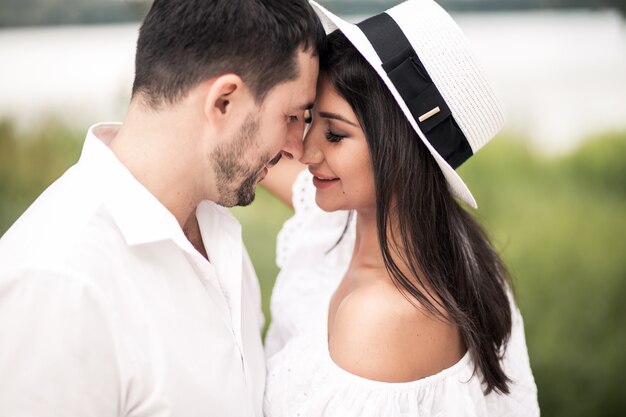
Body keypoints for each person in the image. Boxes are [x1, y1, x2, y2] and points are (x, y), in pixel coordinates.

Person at [0, 1, 324, 416]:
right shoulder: (57, 284)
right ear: (224, 101)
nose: (297, 146)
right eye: (293, 116)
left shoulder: (218, 236)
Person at [262, 1, 539, 415]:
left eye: (335, 134)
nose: (304, 151)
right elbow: (250, 159)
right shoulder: (450, 247)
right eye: (307, 119)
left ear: (400, 150)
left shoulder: (380, 319)